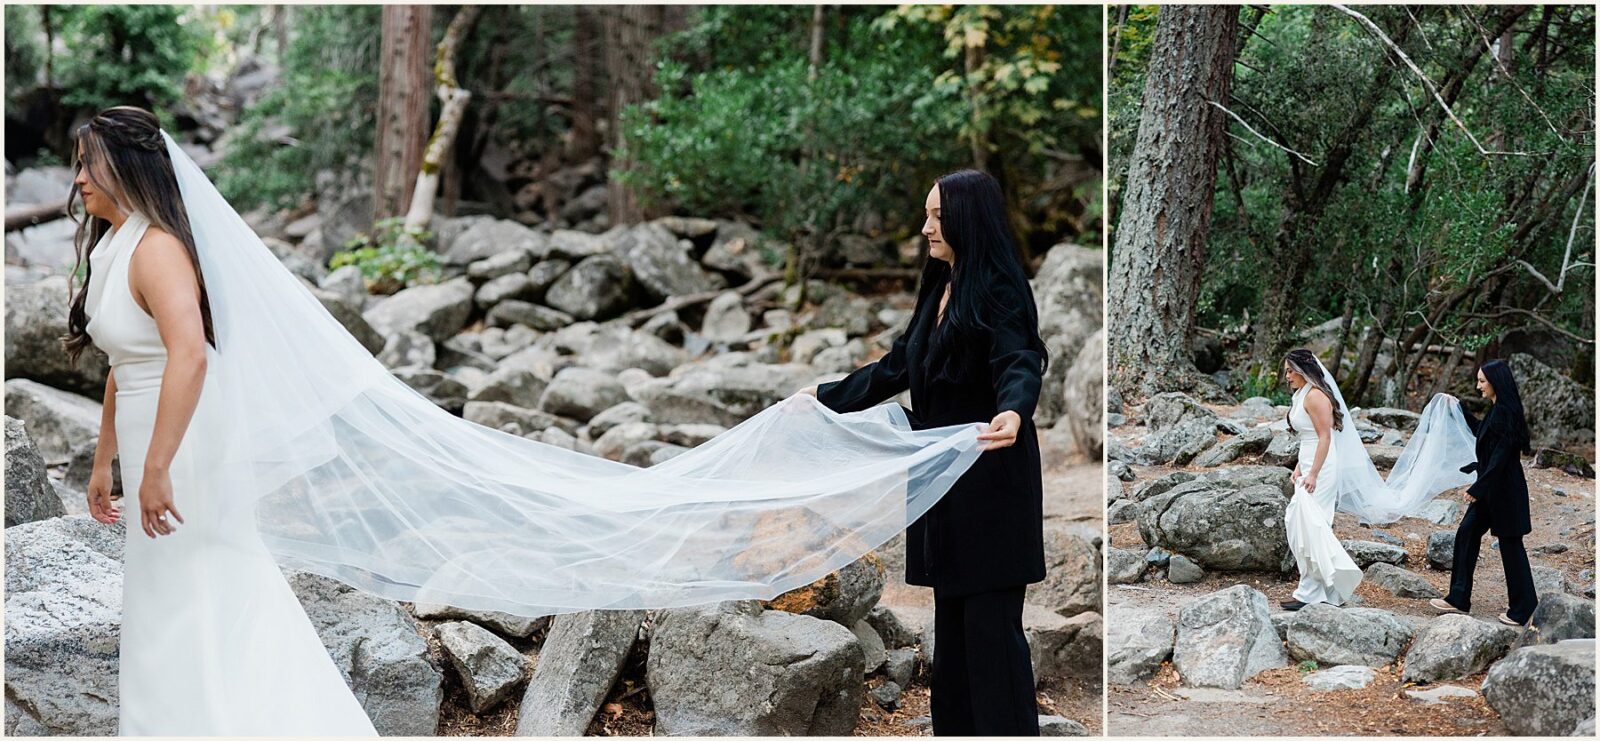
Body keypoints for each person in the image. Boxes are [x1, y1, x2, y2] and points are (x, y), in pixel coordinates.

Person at [62, 105, 993, 734]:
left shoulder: (161, 251)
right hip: (145, 435)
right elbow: (125, 363)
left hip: (182, 448)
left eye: (88, 164)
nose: (77, 180)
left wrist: (157, 465)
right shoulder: (110, 247)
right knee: (166, 590)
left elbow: (189, 355)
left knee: (209, 585)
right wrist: (107, 457)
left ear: (128, 168)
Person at [803, 169, 1048, 736]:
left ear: (967, 219)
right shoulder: (938, 285)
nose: (925, 228)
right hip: (940, 479)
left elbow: (1018, 358)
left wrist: (1014, 409)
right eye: (927, 215)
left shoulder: (1000, 289)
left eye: (937, 217)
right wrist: (822, 400)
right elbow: (896, 367)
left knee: (991, 632)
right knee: (953, 629)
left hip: (990, 473)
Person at [1429, 359, 1538, 626]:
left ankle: (1524, 609)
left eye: (1482, 381)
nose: (1478, 386)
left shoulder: (1505, 411)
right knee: (1466, 533)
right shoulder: (1497, 410)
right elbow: (1483, 433)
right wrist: (1459, 408)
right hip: (1492, 490)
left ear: (1495, 382)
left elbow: (1500, 458)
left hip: (1503, 491)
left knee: (1511, 547)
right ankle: (1458, 598)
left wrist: (1478, 488)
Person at [1279, 349, 1363, 610]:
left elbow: (1324, 437)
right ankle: (1326, 589)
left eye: (1291, 371)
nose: (1287, 376)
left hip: (1323, 466)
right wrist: (1298, 467)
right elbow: (1307, 438)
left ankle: (1309, 592)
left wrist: (1313, 472)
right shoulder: (1301, 395)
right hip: (1308, 461)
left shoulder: (1316, 396)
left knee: (1312, 524)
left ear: (1304, 370)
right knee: (1298, 522)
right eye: (1286, 372)